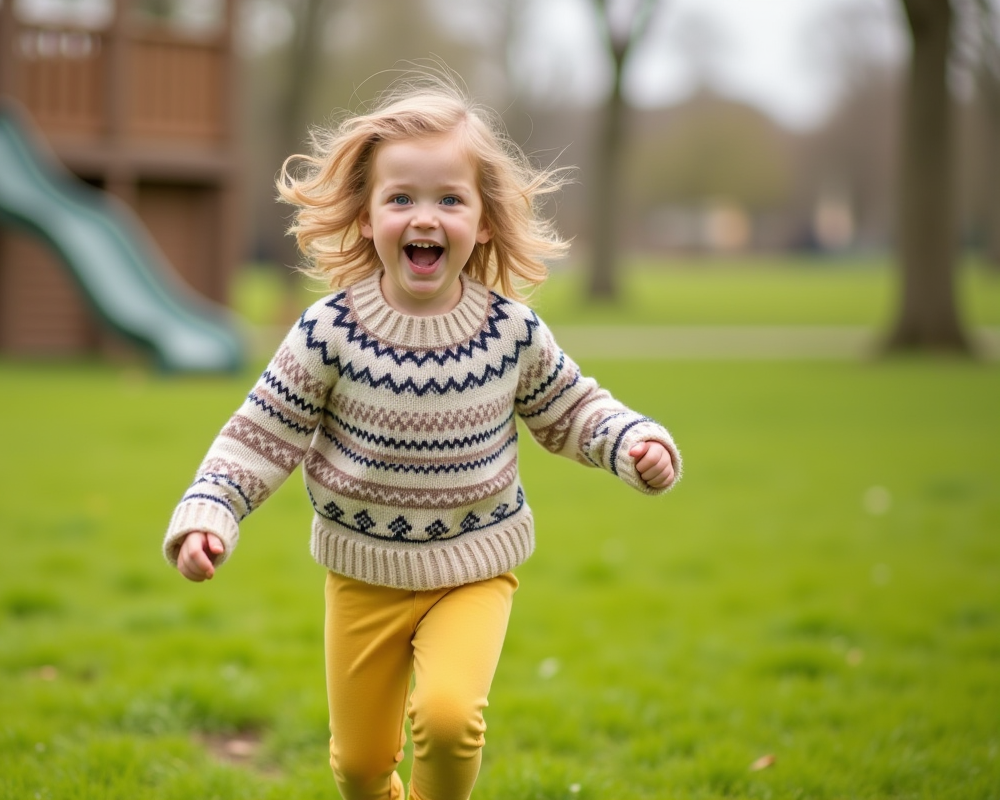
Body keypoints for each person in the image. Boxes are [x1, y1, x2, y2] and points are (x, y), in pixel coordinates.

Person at [163, 73, 681, 800]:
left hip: (474, 566)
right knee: (362, 765)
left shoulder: (511, 333)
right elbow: (260, 433)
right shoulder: (330, 332)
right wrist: (209, 509)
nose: (424, 217)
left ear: (485, 220)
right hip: (362, 576)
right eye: (400, 198)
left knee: (448, 720)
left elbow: (572, 409)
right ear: (367, 216)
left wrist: (630, 442)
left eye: (449, 199)